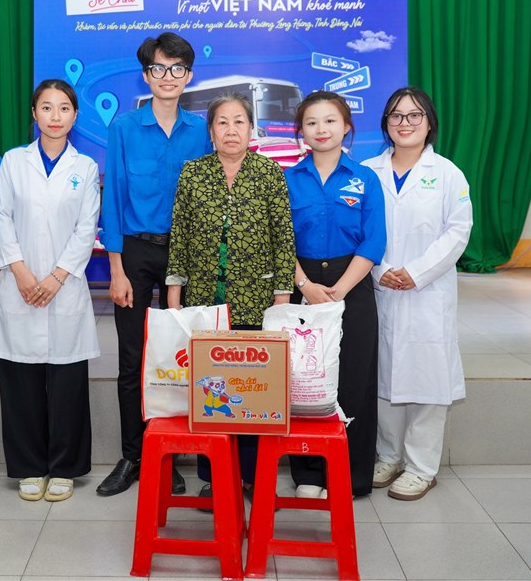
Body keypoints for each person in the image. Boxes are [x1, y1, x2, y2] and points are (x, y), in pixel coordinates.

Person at [165, 92, 296, 500]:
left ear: (252, 129)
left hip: (257, 301)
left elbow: (283, 238)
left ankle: (254, 476)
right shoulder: (193, 174)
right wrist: (174, 296)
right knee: (212, 391)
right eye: (222, 122)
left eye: (239, 121)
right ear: (211, 132)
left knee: (253, 390)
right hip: (204, 303)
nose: (231, 130)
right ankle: (215, 477)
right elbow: (180, 236)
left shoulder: (269, 173)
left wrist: (282, 299)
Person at [97, 33, 212, 497]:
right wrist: (117, 269)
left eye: (177, 68)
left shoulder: (201, 131)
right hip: (136, 255)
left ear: (189, 75)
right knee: (134, 359)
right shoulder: (124, 128)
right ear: (146, 75)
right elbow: (113, 200)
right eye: (159, 69)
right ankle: (135, 455)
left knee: (187, 356)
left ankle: (180, 455)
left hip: (189, 254)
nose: (168, 77)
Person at [0, 79, 100, 503]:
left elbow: (86, 228)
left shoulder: (85, 167)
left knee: (67, 383)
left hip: (64, 287)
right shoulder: (14, 161)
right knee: (20, 382)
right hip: (19, 284)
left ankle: (65, 467)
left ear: (75, 115)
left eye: (64, 108)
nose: (55, 116)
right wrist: (19, 271)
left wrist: (56, 277)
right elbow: (1, 216)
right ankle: (28, 467)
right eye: (46, 108)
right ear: (34, 114)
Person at [362, 87, 472, 501]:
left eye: (414, 115)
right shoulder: (368, 171)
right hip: (380, 286)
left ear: (429, 123)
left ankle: (422, 467)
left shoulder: (448, 174)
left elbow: (457, 232)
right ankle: (388, 456)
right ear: (386, 124)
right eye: (396, 115)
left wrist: (416, 272)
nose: (404, 123)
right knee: (384, 376)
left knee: (428, 378)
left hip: (428, 292)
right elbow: (361, 229)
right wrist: (382, 270)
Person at [284, 91, 386, 499]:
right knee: (304, 381)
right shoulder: (288, 179)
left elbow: (374, 241)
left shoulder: (365, 179)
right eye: (311, 122)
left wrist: (340, 290)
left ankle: (351, 476)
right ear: (301, 131)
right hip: (303, 285)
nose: (321, 129)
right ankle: (308, 474)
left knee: (355, 380)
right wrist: (306, 287)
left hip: (353, 286)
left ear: (346, 127)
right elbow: (280, 241)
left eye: (330, 121)